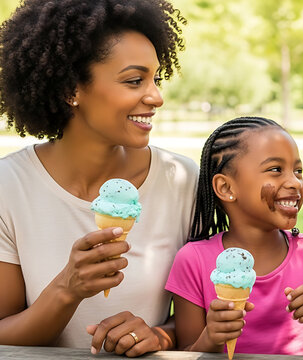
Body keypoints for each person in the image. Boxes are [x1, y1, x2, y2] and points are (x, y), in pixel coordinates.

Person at [0, 0, 197, 356]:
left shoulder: (182, 182)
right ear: (70, 90)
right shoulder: (8, 187)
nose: (157, 97)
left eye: (156, 78)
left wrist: (159, 335)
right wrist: (67, 289)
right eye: (135, 81)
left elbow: (205, 322)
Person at [164, 117, 303, 356]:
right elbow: (186, 353)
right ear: (226, 188)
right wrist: (211, 338)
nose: (295, 182)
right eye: (275, 170)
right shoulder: (193, 260)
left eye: (298, 171)